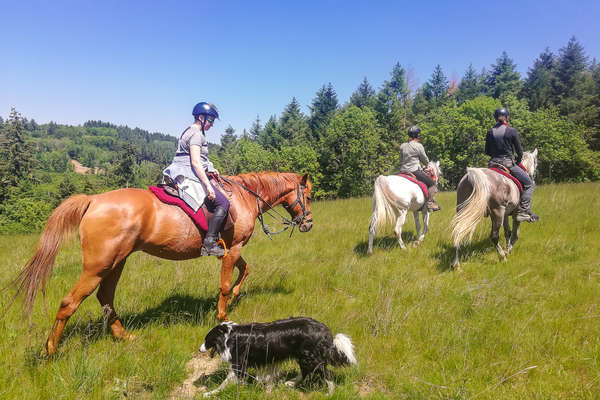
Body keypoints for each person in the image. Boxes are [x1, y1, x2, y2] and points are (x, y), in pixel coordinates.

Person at [163, 102, 230, 256]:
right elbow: (195, 161)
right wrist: (207, 185)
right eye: (211, 120)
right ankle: (209, 243)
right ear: (201, 117)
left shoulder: (188, 131)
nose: (212, 124)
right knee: (223, 202)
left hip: (181, 170)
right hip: (189, 174)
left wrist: (211, 169)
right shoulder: (196, 134)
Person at [485, 107, 538, 222]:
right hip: (508, 164)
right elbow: (519, 152)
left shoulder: (490, 132)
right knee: (529, 184)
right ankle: (523, 211)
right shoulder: (512, 131)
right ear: (507, 117)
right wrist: (517, 161)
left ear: (495, 118)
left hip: (492, 165)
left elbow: (487, 152)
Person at [398, 125, 440, 212]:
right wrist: (426, 166)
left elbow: (401, 160)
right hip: (414, 171)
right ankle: (430, 204)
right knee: (432, 184)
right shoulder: (419, 146)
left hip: (402, 171)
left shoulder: (402, 146)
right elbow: (425, 160)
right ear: (417, 136)